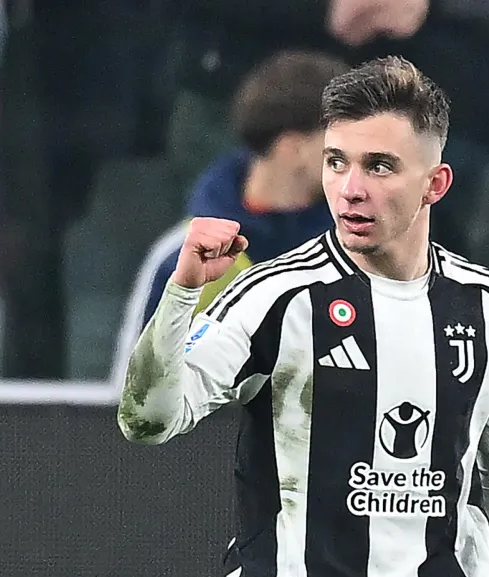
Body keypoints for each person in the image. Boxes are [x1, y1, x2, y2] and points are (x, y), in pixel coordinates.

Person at [116, 57, 489, 577]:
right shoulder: (276, 298)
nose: (351, 188)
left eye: (379, 166)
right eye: (336, 162)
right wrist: (181, 293)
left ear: (435, 184)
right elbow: (148, 419)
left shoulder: (488, 308)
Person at [110, 50, 346, 389]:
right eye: (339, 142)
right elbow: (135, 397)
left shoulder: (366, 250)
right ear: (292, 149)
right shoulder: (182, 256)